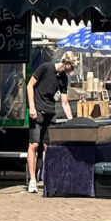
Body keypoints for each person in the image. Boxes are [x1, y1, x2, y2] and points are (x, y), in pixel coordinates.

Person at [26, 50, 76, 194]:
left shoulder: (63, 79)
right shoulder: (45, 67)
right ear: (66, 62)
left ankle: (45, 176)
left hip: (50, 112)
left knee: (48, 147)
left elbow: (65, 103)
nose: (72, 70)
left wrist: (71, 121)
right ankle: (32, 180)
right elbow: (30, 85)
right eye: (71, 67)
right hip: (37, 111)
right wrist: (32, 107)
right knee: (34, 144)